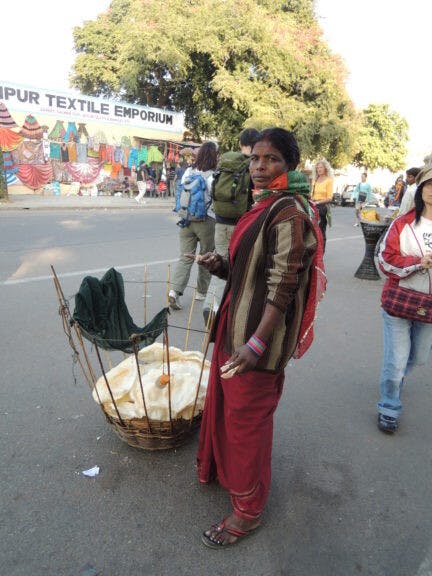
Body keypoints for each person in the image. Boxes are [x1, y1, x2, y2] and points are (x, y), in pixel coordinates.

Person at [195, 128, 325, 548]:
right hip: (236, 322)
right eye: (255, 159)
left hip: (258, 338)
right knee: (231, 411)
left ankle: (248, 512)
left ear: (290, 165)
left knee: (246, 419)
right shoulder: (263, 205)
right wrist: (221, 266)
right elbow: (250, 270)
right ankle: (233, 477)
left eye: (270, 160)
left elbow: (283, 285)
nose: (259, 167)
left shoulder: (288, 210)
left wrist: (255, 344)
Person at [377, 165, 432, 433]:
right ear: (421, 189)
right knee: (396, 359)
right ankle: (389, 405)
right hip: (400, 302)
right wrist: (417, 263)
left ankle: (395, 380)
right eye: (429, 184)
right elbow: (385, 261)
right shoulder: (403, 223)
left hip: (430, 309)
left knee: (419, 357)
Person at [202, 127, 260, 324]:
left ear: (240, 143)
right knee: (236, 266)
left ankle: (210, 304)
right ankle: (221, 308)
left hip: (220, 221)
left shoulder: (225, 162)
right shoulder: (252, 166)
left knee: (218, 261)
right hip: (241, 224)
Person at [168, 142, 217, 310]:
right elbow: (215, 197)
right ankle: (201, 292)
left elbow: (182, 191)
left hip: (186, 220)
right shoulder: (213, 176)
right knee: (206, 257)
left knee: (185, 257)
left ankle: (174, 291)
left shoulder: (189, 171)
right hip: (206, 221)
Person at [310, 158, 334, 251]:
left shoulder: (329, 180)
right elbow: (312, 194)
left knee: (320, 230)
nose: (319, 169)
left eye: (321, 167)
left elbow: (329, 198)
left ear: (325, 169)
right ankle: (314, 251)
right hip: (313, 205)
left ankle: (321, 252)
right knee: (312, 230)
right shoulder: (315, 180)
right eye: (318, 168)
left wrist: (317, 202)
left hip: (322, 207)